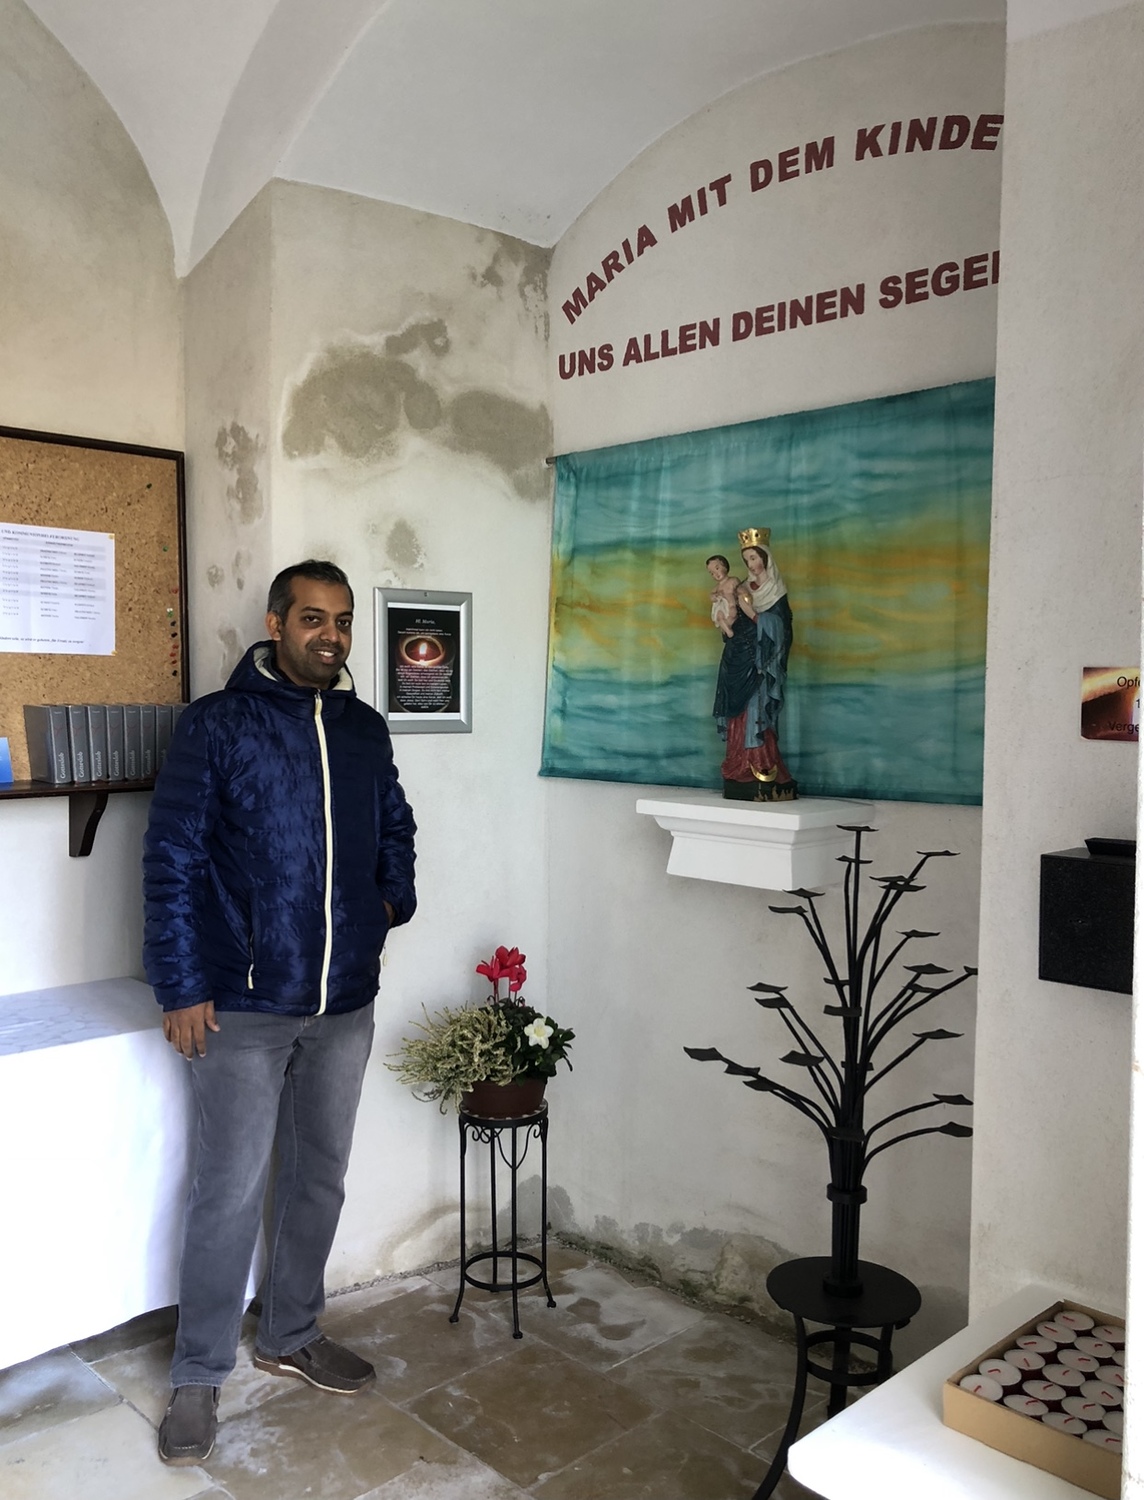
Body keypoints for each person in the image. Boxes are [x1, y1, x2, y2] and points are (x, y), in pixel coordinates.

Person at [143, 559, 416, 1466]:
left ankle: (292, 1333)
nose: (330, 635)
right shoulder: (217, 724)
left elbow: (396, 827)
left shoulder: (363, 728)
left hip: (344, 1003)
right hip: (243, 1005)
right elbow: (172, 857)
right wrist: (181, 984)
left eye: (341, 620)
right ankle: (198, 1375)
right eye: (312, 618)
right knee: (226, 1193)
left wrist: (387, 905)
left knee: (319, 1177)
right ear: (275, 623)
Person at [712, 528, 797, 799]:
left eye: (754, 558)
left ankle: (761, 765)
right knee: (737, 713)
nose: (750, 564)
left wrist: (752, 614)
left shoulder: (776, 592)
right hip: (736, 656)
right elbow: (730, 619)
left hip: (760, 661)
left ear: (765, 558)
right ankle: (739, 765)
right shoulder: (742, 588)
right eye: (746, 559)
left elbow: (781, 629)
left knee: (756, 709)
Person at [706, 554, 743, 638]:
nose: (715, 574)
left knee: (733, 616)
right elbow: (711, 596)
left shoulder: (733, 580)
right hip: (723, 610)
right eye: (712, 573)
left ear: (725, 567)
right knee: (719, 616)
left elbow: (741, 590)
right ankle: (727, 630)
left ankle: (728, 629)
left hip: (733, 606)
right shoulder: (717, 587)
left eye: (717, 568)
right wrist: (715, 596)